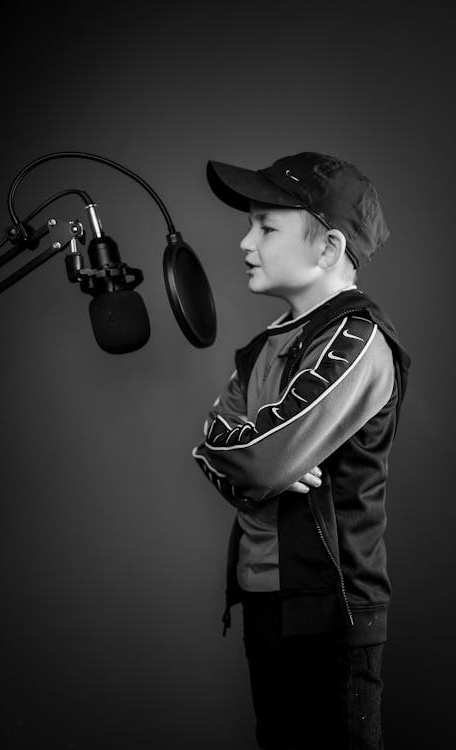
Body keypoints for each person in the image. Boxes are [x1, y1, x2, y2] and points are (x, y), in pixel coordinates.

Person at [191, 152, 411, 749]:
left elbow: (256, 457)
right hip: (264, 602)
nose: (244, 242)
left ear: (328, 246)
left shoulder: (359, 340)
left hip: (332, 613)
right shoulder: (262, 348)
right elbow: (213, 449)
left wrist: (260, 462)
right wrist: (262, 463)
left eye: (266, 227)